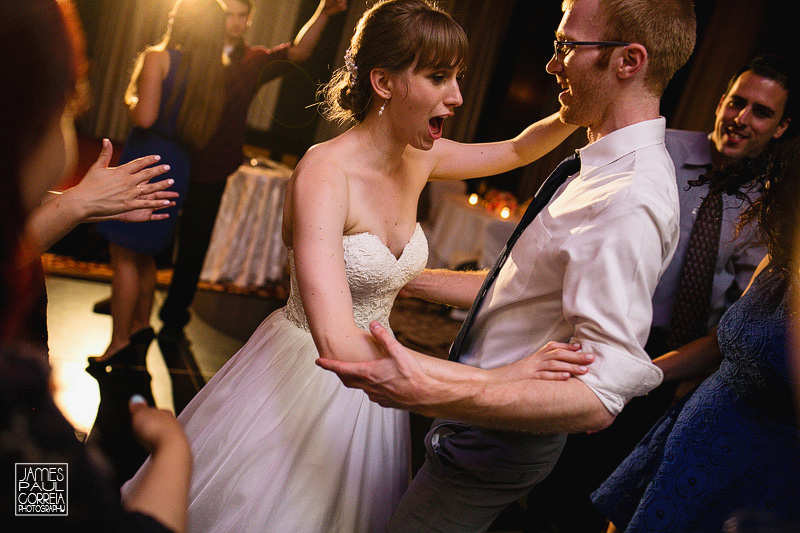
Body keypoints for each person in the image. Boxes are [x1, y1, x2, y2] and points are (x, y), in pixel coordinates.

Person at [122, 1, 591, 530]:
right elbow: (340, 347)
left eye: (458, 78)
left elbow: (514, 150)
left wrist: (577, 112)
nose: (456, 97)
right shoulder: (324, 174)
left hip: (374, 397)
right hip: (310, 370)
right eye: (439, 78)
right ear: (384, 83)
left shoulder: (422, 157)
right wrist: (502, 382)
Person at [316, 0, 697, 530]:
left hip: (495, 440)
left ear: (628, 61)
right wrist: (394, 276)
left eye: (567, 46)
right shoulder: (598, 168)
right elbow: (516, 289)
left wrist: (438, 388)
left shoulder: (630, 197)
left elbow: (599, 395)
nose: (552, 63)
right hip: (470, 425)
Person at [526, 53, 796, 532]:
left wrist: (682, 379)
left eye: (761, 111)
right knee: (554, 486)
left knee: (612, 498)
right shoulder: (657, 153)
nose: (741, 119)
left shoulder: (773, 209)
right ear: (720, 102)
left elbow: (743, 314)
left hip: (680, 368)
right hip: (606, 340)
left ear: (781, 127)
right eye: (736, 102)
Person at [0, 1, 191, 530]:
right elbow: (49, 510)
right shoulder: (17, 410)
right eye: (68, 104)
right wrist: (173, 451)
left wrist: (79, 199)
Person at [591, 139, 800, 532]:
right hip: (692, 434)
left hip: (761, 471)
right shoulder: (778, 264)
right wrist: (634, 379)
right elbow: (721, 343)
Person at [156, 0, 348, 342]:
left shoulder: (253, 61)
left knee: (193, 246)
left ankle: (173, 318)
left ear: (248, 20)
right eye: (227, 14)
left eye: (240, 15)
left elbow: (300, 52)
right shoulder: (190, 51)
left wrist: (324, 12)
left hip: (212, 167)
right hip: (173, 156)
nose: (233, 21)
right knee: (151, 234)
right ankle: (129, 300)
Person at [92, 0, 228, 369]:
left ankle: (119, 341)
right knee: (146, 253)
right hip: (178, 165)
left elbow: (146, 115)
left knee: (123, 253)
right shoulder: (214, 71)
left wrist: (129, 98)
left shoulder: (158, 58)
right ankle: (140, 326)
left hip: (146, 160)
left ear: (178, 20)